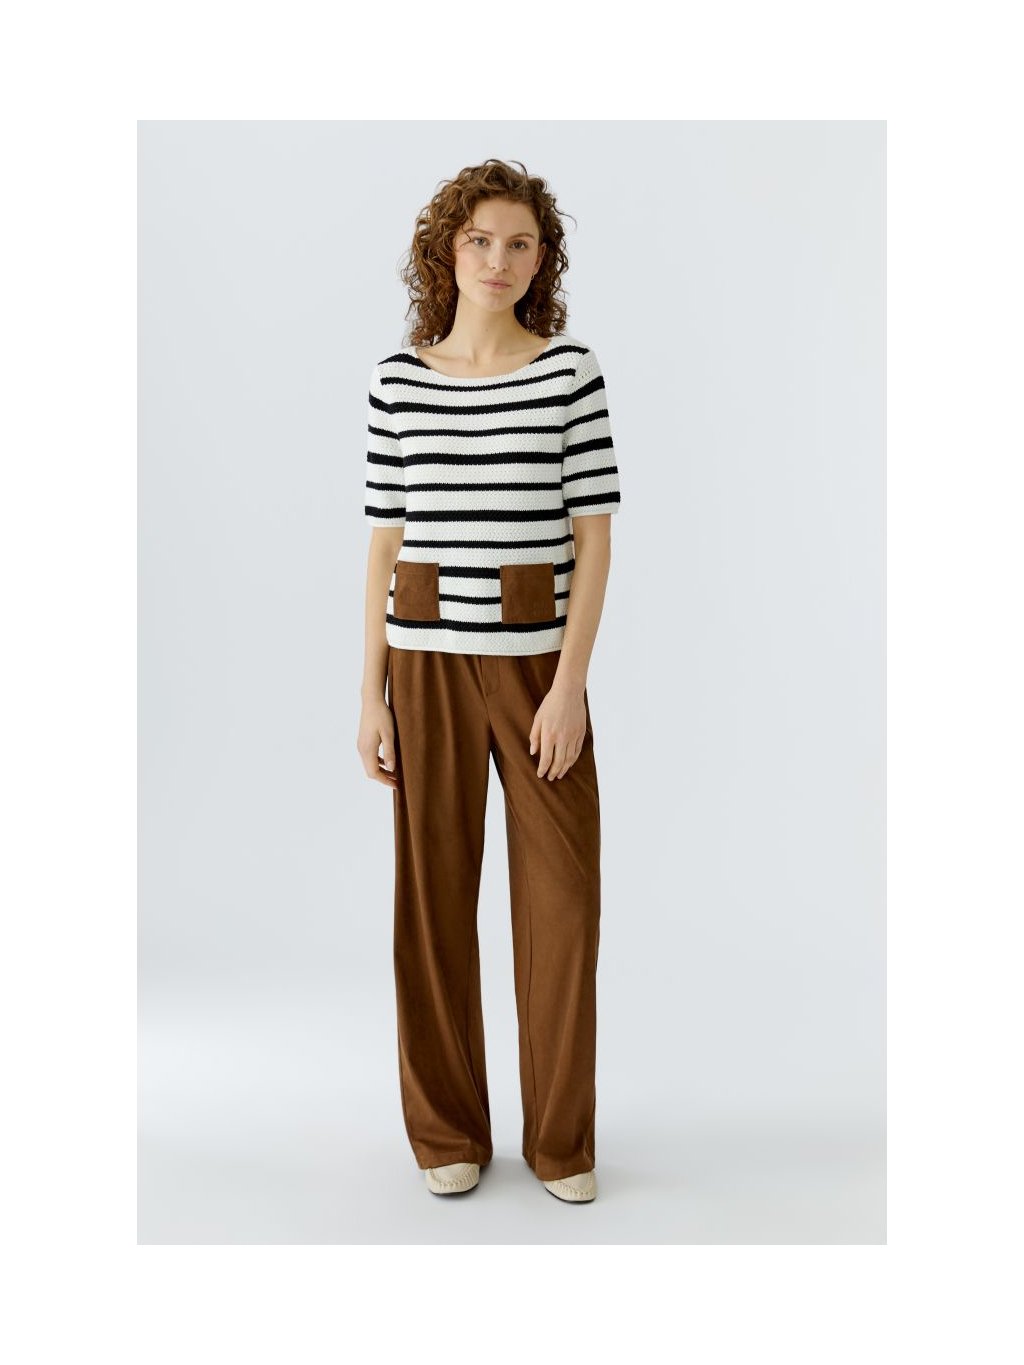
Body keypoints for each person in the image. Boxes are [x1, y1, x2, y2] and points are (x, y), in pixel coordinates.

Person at [357, 158, 621, 1203]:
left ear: (541, 258)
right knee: (430, 902)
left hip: (535, 668)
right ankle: (446, 1133)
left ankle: (560, 1141)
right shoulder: (397, 380)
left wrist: (570, 685)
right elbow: (384, 543)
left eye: (519, 243)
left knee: (563, 902)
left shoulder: (570, 373)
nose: (498, 260)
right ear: (447, 250)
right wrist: (369, 695)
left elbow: (592, 540)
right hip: (421, 663)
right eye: (480, 241)